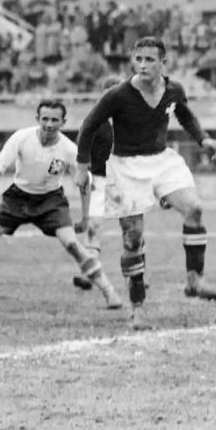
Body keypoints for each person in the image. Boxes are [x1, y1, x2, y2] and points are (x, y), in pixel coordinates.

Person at [75, 36, 216, 330]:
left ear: (163, 63)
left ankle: (194, 279)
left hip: (162, 161)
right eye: (138, 59)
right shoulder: (117, 95)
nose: (142, 65)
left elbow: (185, 115)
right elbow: (87, 127)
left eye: (149, 60)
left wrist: (204, 139)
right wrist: (82, 169)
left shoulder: (173, 90)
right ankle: (138, 308)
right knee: (133, 239)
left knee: (194, 208)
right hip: (126, 167)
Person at [0, 98, 122, 311]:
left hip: (51, 200)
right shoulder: (21, 138)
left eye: (54, 120)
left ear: (63, 122)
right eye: (45, 119)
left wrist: (85, 217)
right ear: (37, 119)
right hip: (17, 197)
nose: (49, 124)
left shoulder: (69, 149)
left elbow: (84, 181)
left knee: (72, 244)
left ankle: (109, 292)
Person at [71, 76, 119, 292]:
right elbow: (81, 153)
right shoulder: (94, 122)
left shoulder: (129, 121)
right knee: (94, 225)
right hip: (99, 179)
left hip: (124, 181)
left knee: (133, 227)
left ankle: (137, 275)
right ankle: (88, 274)